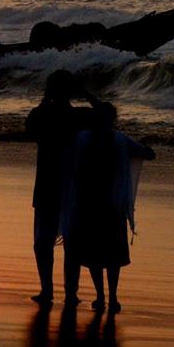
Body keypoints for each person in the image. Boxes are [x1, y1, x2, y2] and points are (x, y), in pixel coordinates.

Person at [26, 71, 110, 306]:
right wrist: (85, 93)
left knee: (43, 241)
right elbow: (106, 115)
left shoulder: (42, 114)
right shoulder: (78, 116)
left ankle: (47, 291)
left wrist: (45, 99)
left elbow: (28, 126)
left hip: (46, 184)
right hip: (72, 186)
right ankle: (70, 293)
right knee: (71, 243)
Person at [70, 102, 154, 314]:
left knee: (94, 254)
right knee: (113, 255)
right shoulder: (120, 140)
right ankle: (113, 297)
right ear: (113, 119)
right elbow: (148, 153)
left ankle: (100, 296)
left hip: (88, 204)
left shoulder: (82, 139)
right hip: (113, 206)